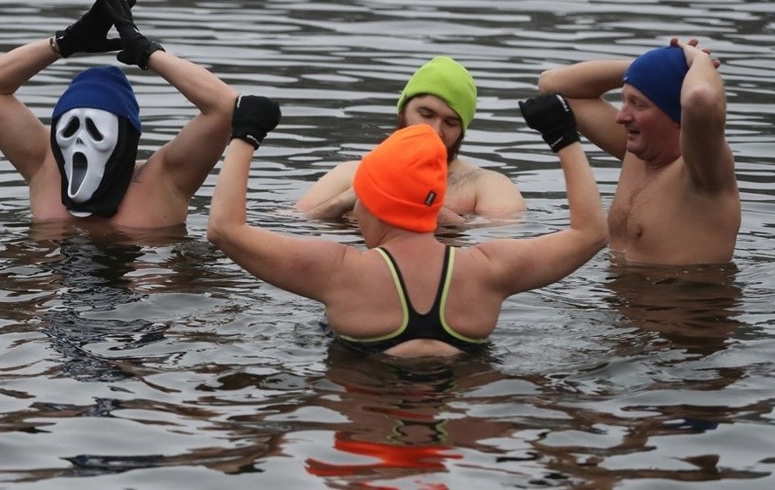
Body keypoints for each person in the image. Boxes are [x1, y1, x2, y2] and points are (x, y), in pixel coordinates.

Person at [208, 93, 607, 358]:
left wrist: (246, 134)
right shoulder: (488, 269)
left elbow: (225, 229)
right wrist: (563, 138)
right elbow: (590, 234)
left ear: (368, 202)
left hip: (365, 397)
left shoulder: (339, 272)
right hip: (464, 406)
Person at [0, 0, 238, 229]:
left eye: (95, 129)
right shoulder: (44, 165)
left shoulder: (165, 179)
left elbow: (226, 107)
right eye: (70, 128)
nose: (80, 141)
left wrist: (148, 52)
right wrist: (62, 43)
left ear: (125, 134)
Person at [537, 38, 740, 265]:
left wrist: (698, 60)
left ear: (677, 117)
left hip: (684, 299)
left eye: (639, 104)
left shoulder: (705, 172)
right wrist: (653, 65)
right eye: (624, 101)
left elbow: (701, 98)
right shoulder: (637, 153)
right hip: (614, 297)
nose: (621, 117)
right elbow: (550, 85)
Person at [295, 56, 526, 225]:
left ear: (462, 131)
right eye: (426, 115)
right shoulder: (351, 174)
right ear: (402, 112)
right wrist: (349, 199)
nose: (435, 131)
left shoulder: (486, 184)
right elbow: (295, 224)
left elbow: (504, 251)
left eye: (451, 122)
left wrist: (419, 202)